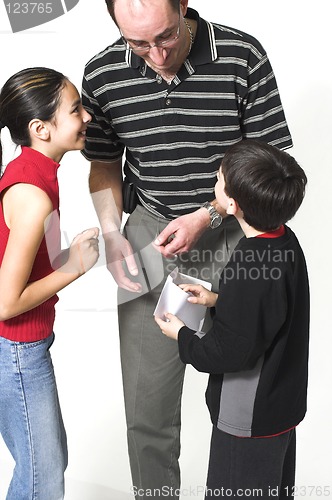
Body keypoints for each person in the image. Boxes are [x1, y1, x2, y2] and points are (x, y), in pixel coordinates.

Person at [81, 0, 293, 497]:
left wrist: (211, 214)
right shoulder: (103, 72)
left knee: (251, 399)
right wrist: (113, 234)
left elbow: (272, 160)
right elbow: (104, 165)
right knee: (147, 408)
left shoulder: (242, 55)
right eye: (138, 43)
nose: (155, 54)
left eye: (166, 36)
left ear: (183, 7)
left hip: (237, 235)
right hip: (150, 238)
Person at [155, 139, 309, 499]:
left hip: (247, 419)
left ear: (232, 204)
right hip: (281, 408)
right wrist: (216, 300)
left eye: (219, 177)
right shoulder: (285, 242)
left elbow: (228, 353)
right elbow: (270, 309)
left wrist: (182, 335)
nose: (215, 179)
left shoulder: (246, 263)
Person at [0, 67, 99, 500]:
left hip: (24, 346)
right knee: (43, 478)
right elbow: (6, 302)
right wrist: (75, 267)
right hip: (16, 349)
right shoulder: (33, 192)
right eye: (76, 109)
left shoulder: (39, 171)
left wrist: (70, 253)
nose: (88, 117)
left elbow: (38, 263)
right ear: (41, 129)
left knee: (45, 464)